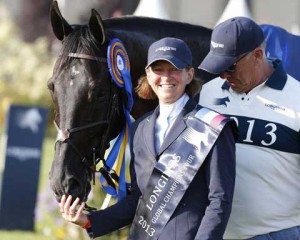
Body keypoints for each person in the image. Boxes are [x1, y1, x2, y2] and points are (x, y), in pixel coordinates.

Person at [59, 37, 238, 239]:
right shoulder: (140, 128)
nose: (165, 77)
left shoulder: (212, 126)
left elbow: (219, 201)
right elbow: (140, 199)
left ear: (189, 75)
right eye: (158, 69)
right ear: (147, 74)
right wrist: (91, 220)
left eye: (174, 69)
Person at [198, 17, 300, 240]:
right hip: (217, 234)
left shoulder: (297, 99)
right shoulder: (207, 94)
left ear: (258, 55)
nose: (224, 75)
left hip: (279, 234)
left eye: (230, 66)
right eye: (218, 68)